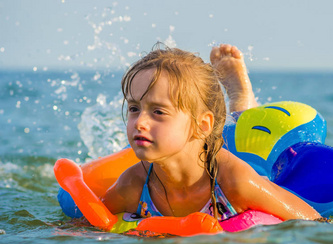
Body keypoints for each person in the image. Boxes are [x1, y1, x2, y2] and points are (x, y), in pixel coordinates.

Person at [102, 43, 321, 221]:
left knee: (247, 143)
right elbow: (87, 223)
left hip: (243, 166)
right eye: (133, 109)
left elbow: (312, 221)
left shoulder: (236, 182)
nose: (140, 122)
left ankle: (240, 97)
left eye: (158, 112)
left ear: (201, 125)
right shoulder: (134, 184)